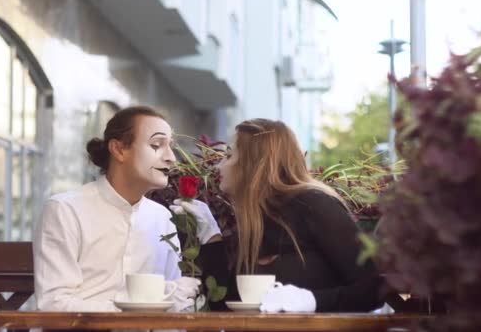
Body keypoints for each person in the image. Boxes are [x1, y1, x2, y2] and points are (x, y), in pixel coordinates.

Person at [172, 118, 386, 312]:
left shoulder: (314, 204)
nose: (219, 165)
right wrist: (211, 236)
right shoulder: (253, 221)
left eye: (229, 155)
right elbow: (226, 305)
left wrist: (312, 301)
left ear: (253, 162)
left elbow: (373, 291)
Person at [33, 106, 200, 312]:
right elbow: (53, 304)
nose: (171, 158)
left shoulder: (163, 218)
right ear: (119, 150)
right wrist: (137, 307)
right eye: (157, 144)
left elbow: (174, 303)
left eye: (170, 146)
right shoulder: (65, 211)